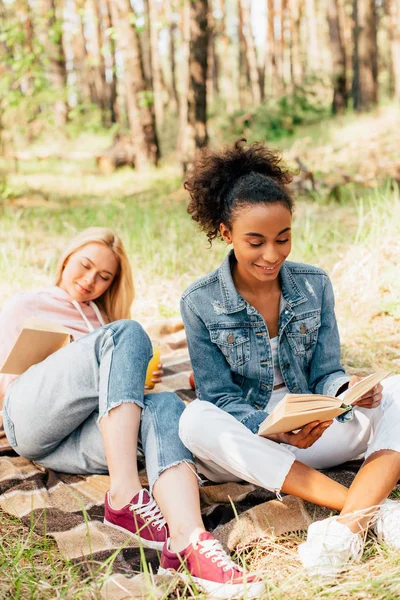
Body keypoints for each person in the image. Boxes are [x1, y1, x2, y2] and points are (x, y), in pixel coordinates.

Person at [0, 227, 265, 599]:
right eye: (85, 266)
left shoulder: (98, 319)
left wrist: (130, 382)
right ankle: (124, 495)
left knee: (167, 404)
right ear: (65, 260)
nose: (90, 280)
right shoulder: (24, 305)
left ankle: (189, 541)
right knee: (127, 332)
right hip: (27, 420)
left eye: (104, 277)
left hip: (72, 443)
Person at [179, 140, 400, 577]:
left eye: (283, 239)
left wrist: (347, 392)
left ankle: (347, 530)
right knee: (193, 420)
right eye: (255, 241)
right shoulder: (199, 301)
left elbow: (327, 372)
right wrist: (273, 430)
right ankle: (376, 510)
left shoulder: (314, 284)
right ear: (225, 234)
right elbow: (220, 397)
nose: (272, 255)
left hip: (320, 432)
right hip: (256, 446)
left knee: (399, 389)